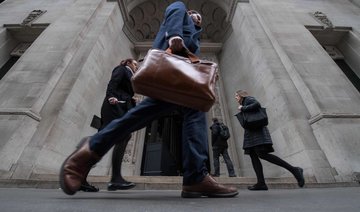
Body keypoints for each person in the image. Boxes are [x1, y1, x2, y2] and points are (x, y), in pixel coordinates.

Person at [59, 1, 238, 198]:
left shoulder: (195, 31)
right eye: (196, 15)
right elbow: (174, 13)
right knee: (142, 114)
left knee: (192, 113)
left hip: (184, 79)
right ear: (190, 12)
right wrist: (175, 36)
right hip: (170, 70)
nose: (198, 18)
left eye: (200, 19)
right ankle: (91, 148)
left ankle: (196, 176)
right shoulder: (180, 9)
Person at [78, 59, 138, 192]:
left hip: (121, 107)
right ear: (128, 63)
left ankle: (82, 175)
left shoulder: (131, 75)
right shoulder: (121, 69)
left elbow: (125, 91)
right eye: (135, 64)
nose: (136, 67)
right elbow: (113, 83)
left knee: (116, 137)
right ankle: (114, 178)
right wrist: (111, 96)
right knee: (116, 137)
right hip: (113, 107)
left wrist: (131, 98)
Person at [235, 89, 305, 190]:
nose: (236, 98)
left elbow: (257, 104)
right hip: (251, 132)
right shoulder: (245, 101)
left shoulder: (248, 99)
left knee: (261, 154)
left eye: (236, 96)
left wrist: (243, 108)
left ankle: (294, 170)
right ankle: (261, 183)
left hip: (257, 131)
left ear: (241, 95)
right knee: (253, 155)